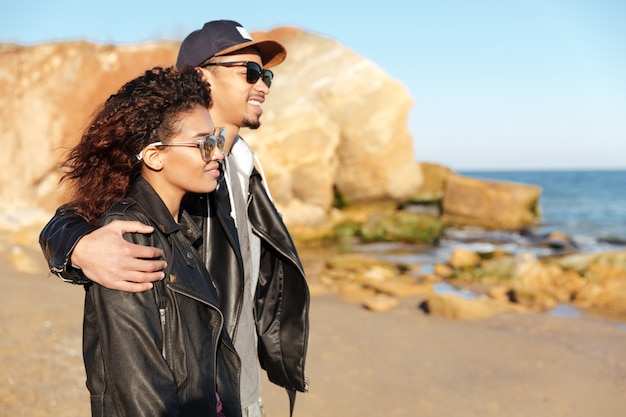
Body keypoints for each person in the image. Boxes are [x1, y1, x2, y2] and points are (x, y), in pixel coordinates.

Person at [39, 20, 309, 417]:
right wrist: (78, 247)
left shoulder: (245, 166)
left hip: (237, 386)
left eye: (266, 73)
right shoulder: (179, 169)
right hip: (200, 390)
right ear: (202, 76)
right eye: (249, 72)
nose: (264, 84)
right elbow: (79, 216)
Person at [59, 65, 239, 416]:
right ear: (155, 155)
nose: (217, 153)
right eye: (204, 144)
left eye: (216, 139)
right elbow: (139, 390)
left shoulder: (182, 223)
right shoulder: (128, 237)